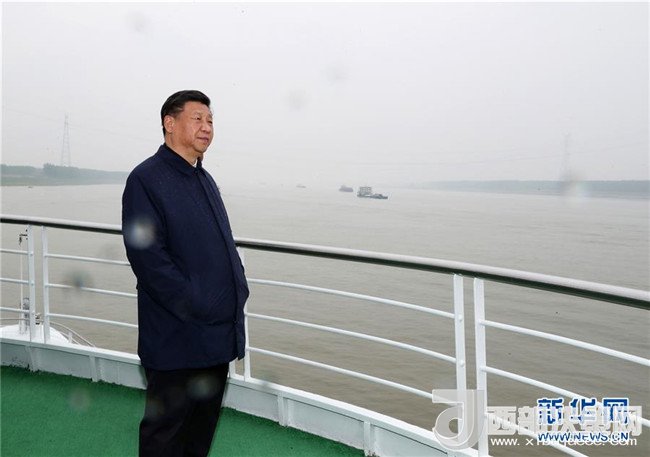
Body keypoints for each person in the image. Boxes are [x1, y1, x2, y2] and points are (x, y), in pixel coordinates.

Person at [122, 90, 249, 457]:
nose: (206, 127)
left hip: (216, 335)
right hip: (176, 336)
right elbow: (148, 257)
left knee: (200, 430)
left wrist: (237, 286)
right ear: (170, 123)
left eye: (210, 121)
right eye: (197, 119)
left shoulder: (203, 179)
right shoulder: (146, 179)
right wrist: (195, 302)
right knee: (166, 434)